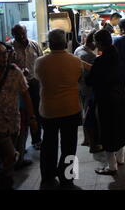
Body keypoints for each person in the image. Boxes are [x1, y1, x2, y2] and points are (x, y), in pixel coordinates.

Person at [35, 29, 89, 189]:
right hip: (70, 109)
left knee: (49, 144)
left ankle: (48, 177)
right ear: (65, 43)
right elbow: (81, 77)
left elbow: (38, 78)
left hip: (49, 111)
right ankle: (67, 178)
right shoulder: (75, 61)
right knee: (69, 146)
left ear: (50, 44)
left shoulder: (40, 62)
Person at [86, 30, 125, 175]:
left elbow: (90, 81)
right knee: (120, 127)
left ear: (99, 43)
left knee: (108, 131)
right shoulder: (118, 57)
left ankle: (111, 166)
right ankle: (121, 158)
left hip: (106, 101)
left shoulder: (100, 61)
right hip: (121, 97)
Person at [0, 41, 37, 190]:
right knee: (10, 154)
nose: (3, 57)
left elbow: (26, 95)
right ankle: (6, 180)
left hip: (13, 121)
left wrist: (32, 117)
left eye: (4, 53)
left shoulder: (15, 72)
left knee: (9, 155)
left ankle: (7, 177)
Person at [9, 24, 43, 152]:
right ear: (13, 35)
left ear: (26, 31)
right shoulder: (10, 47)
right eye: (18, 34)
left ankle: (36, 140)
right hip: (18, 86)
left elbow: (40, 61)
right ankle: (19, 146)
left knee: (36, 112)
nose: (22, 37)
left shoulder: (34, 45)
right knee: (22, 115)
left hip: (34, 82)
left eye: (23, 33)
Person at [73, 29, 102, 153]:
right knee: (91, 115)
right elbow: (95, 72)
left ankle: (86, 139)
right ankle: (93, 144)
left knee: (85, 112)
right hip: (89, 88)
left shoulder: (78, 50)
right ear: (93, 43)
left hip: (80, 86)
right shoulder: (90, 55)